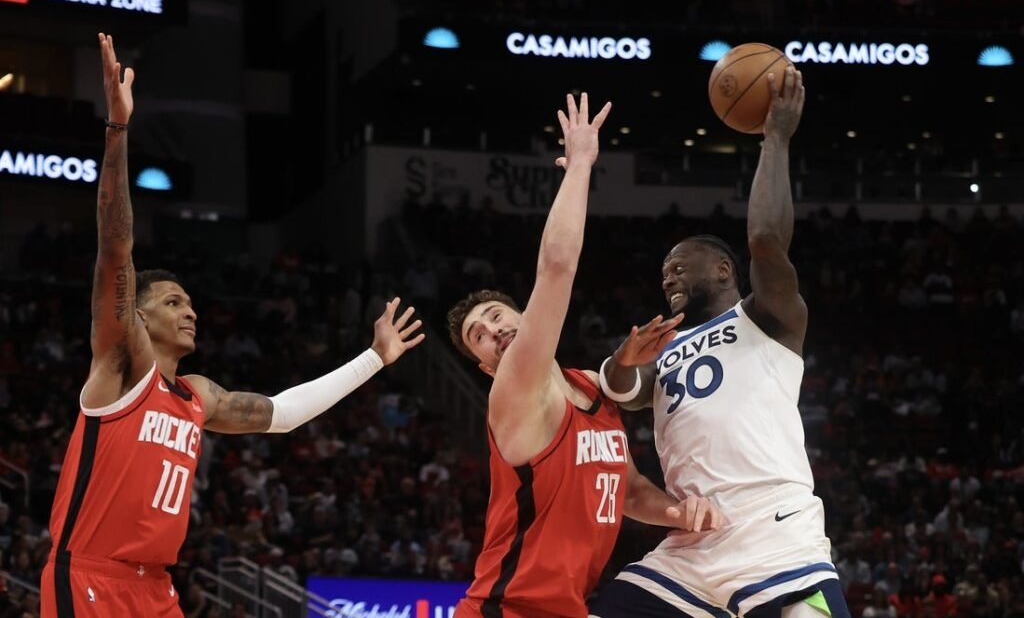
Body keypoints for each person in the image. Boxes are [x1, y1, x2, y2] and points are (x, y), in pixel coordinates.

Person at [39, 33, 425, 618]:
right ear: (138, 315)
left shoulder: (199, 396)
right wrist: (117, 130)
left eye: (191, 303)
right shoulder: (120, 367)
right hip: (92, 577)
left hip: (155, 587)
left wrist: (374, 357)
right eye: (173, 302)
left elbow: (285, 413)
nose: (190, 311)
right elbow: (115, 249)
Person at [446, 93, 720, 618]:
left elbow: (628, 490)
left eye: (498, 316)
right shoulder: (514, 393)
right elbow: (556, 268)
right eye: (479, 335)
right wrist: (579, 167)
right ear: (486, 367)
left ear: (521, 316)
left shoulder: (592, 385)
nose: (495, 329)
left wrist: (680, 512)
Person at [591, 68, 851, 618]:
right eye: (663, 271)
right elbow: (622, 391)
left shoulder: (767, 317)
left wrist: (775, 137)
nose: (667, 276)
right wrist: (623, 360)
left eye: (679, 266)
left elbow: (766, 240)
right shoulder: (664, 344)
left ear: (724, 270)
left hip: (772, 526)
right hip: (694, 536)